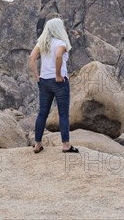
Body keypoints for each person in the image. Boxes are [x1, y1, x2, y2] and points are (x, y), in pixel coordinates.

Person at [29, 16, 79, 154]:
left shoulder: (42, 43)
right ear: (59, 29)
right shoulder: (61, 43)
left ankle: (37, 144)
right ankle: (66, 145)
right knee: (63, 114)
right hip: (59, 82)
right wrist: (57, 75)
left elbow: (32, 58)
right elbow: (58, 56)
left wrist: (37, 77)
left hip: (44, 81)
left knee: (42, 113)